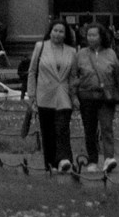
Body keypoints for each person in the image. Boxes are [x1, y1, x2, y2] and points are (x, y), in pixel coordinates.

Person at [27, 18, 83, 175]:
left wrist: (74, 97)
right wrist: (32, 96)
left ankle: (65, 160)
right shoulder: (40, 47)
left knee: (62, 129)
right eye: (55, 31)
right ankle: (50, 164)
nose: (57, 34)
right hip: (44, 95)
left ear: (66, 35)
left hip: (64, 95)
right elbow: (32, 72)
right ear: (50, 32)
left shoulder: (72, 51)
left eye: (61, 31)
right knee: (48, 132)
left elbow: (73, 76)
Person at [76, 21, 119, 174]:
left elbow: (118, 77)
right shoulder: (80, 54)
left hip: (106, 98)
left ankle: (109, 158)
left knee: (107, 127)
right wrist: (75, 93)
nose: (91, 38)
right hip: (87, 97)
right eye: (89, 35)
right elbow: (74, 75)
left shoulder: (110, 53)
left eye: (94, 35)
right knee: (90, 130)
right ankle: (92, 160)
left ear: (101, 36)